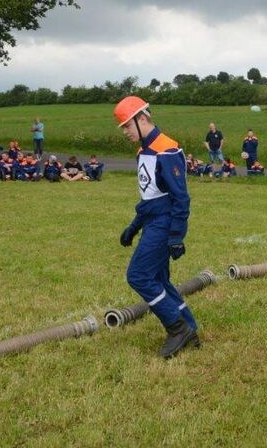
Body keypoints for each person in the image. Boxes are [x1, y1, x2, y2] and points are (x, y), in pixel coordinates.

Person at [114, 95, 199, 358]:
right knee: (159, 279)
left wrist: (176, 236)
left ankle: (177, 328)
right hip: (152, 221)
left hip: (163, 225)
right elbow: (149, 196)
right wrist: (134, 226)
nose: (125, 132)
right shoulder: (144, 151)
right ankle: (190, 328)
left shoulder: (167, 150)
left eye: (127, 125)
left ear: (142, 118)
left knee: (138, 276)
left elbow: (180, 199)